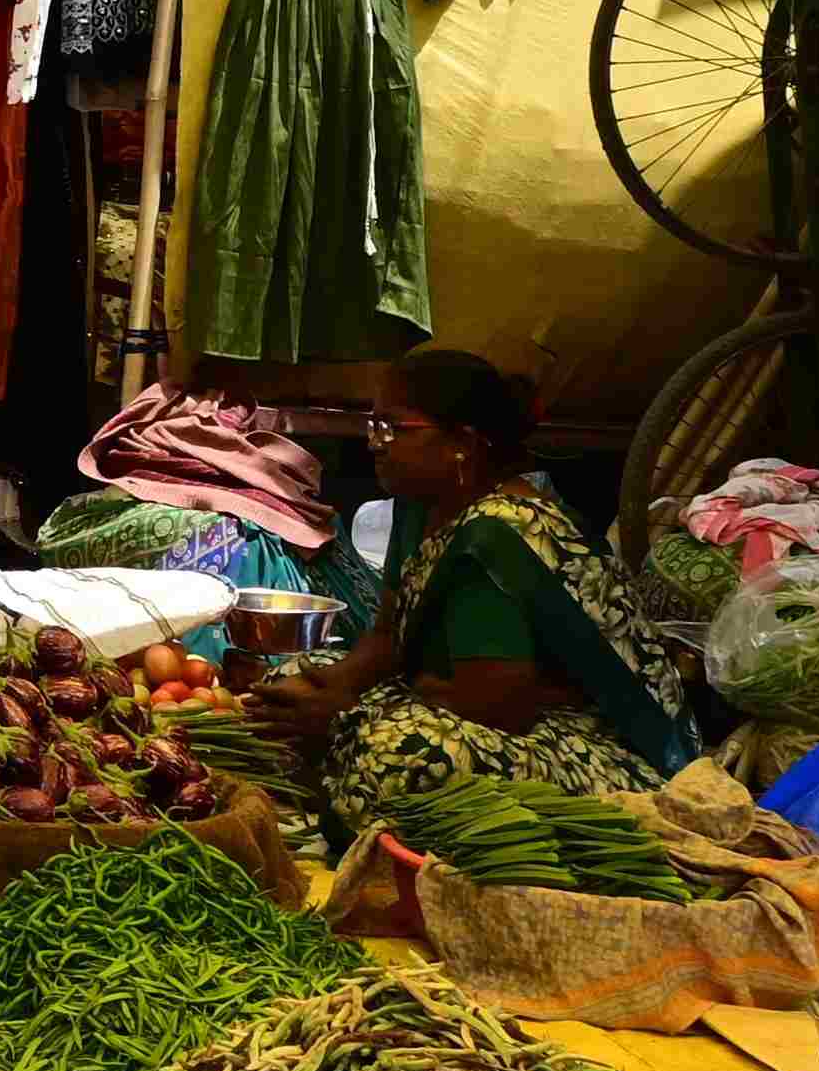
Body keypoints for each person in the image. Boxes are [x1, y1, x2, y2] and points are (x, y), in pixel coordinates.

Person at [240, 348, 692, 839]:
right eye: (373, 427)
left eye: (393, 429)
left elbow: (497, 706)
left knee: (399, 754)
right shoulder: (423, 505)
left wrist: (346, 714)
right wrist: (338, 684)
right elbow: (389, 632)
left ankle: (352, 799)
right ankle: (337, 783)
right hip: (464, 700)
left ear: (464, 443)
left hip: (599, 748)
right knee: (289, 683)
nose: (376, 444)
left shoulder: (498, 533)